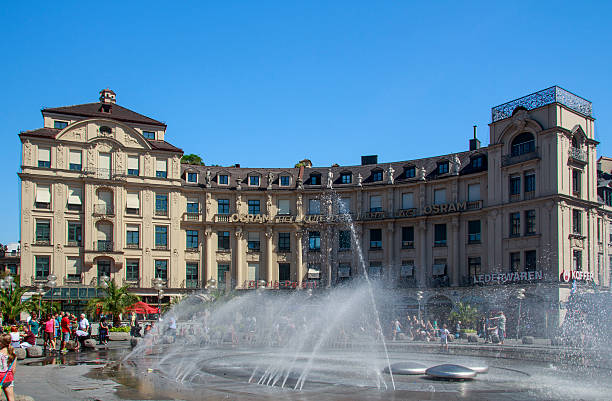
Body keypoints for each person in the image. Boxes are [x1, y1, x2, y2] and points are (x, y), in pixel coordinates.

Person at [0, 333, 17, 401]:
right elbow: (13, 369)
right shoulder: (12, 352)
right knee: (11, 398)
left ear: (1, 343)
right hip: (8, 377)